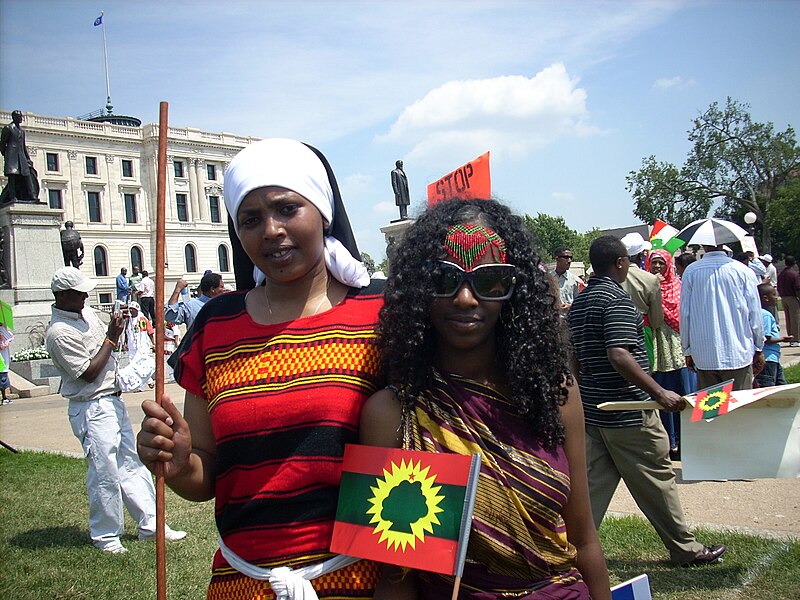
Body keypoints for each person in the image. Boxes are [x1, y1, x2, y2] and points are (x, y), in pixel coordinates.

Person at [137, 138, 383, 598]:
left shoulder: (381, 314)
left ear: (323, 212)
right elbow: (203, 478)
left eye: (287, 209)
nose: (270, 230)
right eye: (250, 219)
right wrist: (176, 461)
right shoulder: (215, 325)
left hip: (361, 581)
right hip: (243, 583)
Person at [362, 199, 611, 599]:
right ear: (416, 288)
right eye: (443, 279)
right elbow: (397, 575)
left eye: (490, 280)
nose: (465, 298)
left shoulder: (555, 394)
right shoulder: (391, 415)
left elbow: (584, 540)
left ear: (516, 290)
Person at [568, 235, 726, 567]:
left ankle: (570, 551)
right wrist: (659, 392)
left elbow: (573, 359)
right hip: (632, 412)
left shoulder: (581, 303)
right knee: (658, 480)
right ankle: (685, 549)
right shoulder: (618, 300)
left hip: (595, 413)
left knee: (592, 487)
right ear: (621, 263)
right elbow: (619, 354)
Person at [43, 267, 186, 553]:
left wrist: (118, 328)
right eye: (79, 291)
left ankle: (151, 524)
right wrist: (111, 335)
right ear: (61, 295)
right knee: (104, 469)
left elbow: (109, 351)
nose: (85, 295)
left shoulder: (85, 314)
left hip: (111, 398)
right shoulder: (58, 333)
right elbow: (88, 372)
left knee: (131, 463)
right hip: (91, 405)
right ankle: (106, 534)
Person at [680, 244, 765, 390]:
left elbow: (685, 313)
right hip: (738, 353)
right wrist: (758, 347)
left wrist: (687, 349)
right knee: (739, 408)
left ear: (703, 245)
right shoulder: (743, 270)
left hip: (704, 355)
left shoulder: (691, 271)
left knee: (711, 409)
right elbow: (754, 312)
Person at [646, 249, 695, 461]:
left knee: (684, 390)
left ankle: (688, 443)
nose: (657, 267)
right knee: (662, 392)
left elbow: (683, 313)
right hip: (658, 343)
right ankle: (669, 442)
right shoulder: (649, 285)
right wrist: (654, 287)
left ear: (668, 264)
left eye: (660, 263)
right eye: (653, 263)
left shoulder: (679, 285)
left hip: (677, 343)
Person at [619, 232, 664, 368]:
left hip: (616, 330)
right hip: (643, 331)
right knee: (644, 370)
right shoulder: (650, 279)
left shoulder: (613, 277)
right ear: (641, 255)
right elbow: (656, 319)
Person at [755, 283, 792, 388]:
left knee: (782, 386)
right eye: (774, 294)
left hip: (773, 358)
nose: (776, 297)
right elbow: (766, 338)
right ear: (765, 298)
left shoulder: (760, 313)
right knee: (768, 387)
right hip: (768, 359)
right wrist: (783, 339)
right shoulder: (765, 314)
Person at [0, 110, 39, 205]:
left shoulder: (22, 131)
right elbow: (2, 144)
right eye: (19, 116)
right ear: (14, 117)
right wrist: (6, 155)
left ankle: (32, 195)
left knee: (27, 175)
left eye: (21, 116)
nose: (21, 118)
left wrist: (28, 158)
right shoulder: (8, 128)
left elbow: (23, 146)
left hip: (21, 157)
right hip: (11, 156)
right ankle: (13, 197)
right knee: (12, 177)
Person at [125, 302, 155, 391]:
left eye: (133, 309)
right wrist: (125, 343)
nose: (131, 311)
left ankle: (142, 385)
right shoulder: (128, 320)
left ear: (137, 310)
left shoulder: (142, 319)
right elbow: (126, 333)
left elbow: (150, 332)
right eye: (130, 309)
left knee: (141, 365)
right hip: (132, 347)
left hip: (142, 346)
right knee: (133, 365)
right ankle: (148, 382)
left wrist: (153, 343)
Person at [550, 245, 582, 314]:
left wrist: (570, 306)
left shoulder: (575, 280)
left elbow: (580, 302)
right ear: (557, 259)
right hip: (552, 319)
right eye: (566, 257)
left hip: (569, 320)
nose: (569, 261)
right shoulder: (547, 279)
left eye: (571, 258)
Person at [777, 256, 800, 347]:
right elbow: (798, 288)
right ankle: (796, 339)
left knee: (788, 319)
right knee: (796, 319)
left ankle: (791, 337)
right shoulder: (794, 274)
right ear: (794, 263)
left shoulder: (781, 274)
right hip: (792, 297)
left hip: (783, 297)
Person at [0, 322, 13, 405]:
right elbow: (10, 337)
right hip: (2, 360)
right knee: (2, 379)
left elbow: (10, 337)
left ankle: (4, 397)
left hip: (2, 359)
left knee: (2, 378)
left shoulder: (1, 329)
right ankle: (4, 397)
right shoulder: (1, 329)